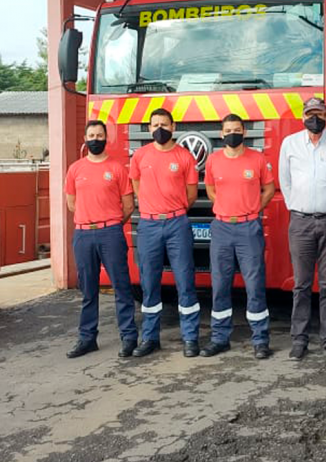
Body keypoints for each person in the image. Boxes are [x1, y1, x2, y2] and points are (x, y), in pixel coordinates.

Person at [278, 97, 326, 361]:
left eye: (320, 114)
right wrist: (296, 206)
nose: (316, 118)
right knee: (301, 284)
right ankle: (299, 340)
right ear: (303, 117)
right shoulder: (289, 144)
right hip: (300, 222)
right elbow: (284, 181)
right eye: (311, 114)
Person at [201, 114, 276, 359]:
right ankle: (220, 338)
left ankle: (260, 340)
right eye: (228, 130)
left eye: (236, 129)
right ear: (221, 134)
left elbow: (269, 189)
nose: (232, 133)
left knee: (254, 285)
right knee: (220, 284)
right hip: (222, 227)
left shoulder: (257, 159)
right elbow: (211, 190)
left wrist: (253, 209)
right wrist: (225, 206)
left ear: (243, 132)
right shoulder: (213, 160)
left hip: (248, 227)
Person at [129, 108, 201, 358]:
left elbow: (191, 195)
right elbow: (137, 187)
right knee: (149, 283)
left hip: (177, 224)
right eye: (155, 124)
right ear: (149, 128)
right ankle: (150, 337)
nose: (160, 128)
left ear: (174, 127)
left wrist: (172, 209)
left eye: (164, 124)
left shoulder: (184, 157)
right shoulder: (139, 156)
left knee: (185, 281)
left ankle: (190, 338)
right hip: (148, 225)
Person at [64, 120, 139, 358]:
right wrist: (90, 219)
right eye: (91, 135)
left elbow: (128, 205)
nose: (95, 139)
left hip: (111, 233)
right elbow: (71, 203)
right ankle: (87, 338)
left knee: (121, 287)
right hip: (83, 234)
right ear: (85, 140)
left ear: (106, 139)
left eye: (99, 135)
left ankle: (128, 337)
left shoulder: (117, 168)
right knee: (88, 290)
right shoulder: (75, 169)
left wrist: (111, 222)